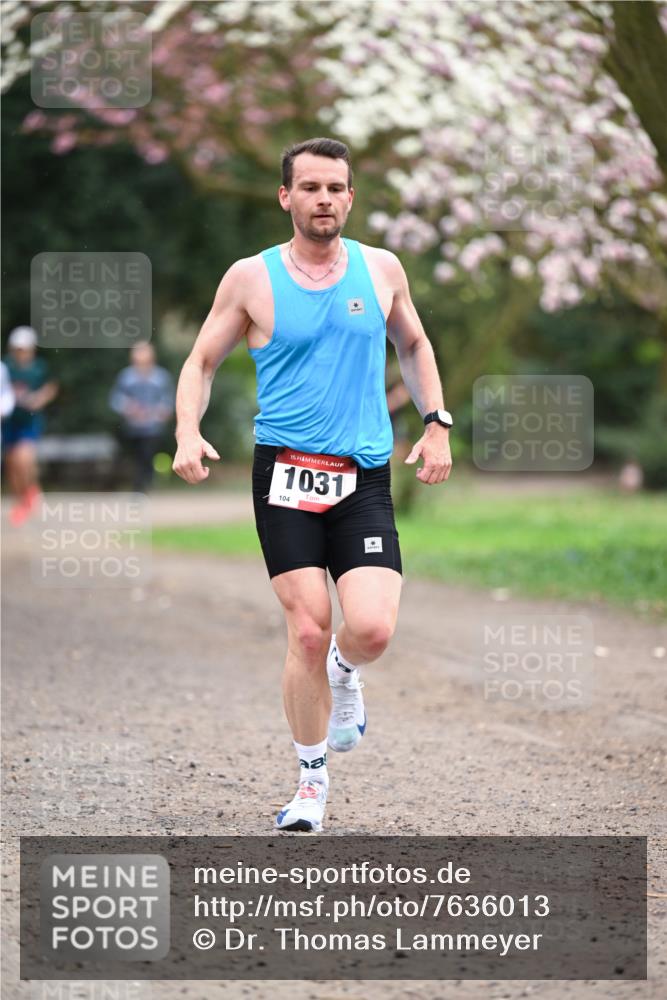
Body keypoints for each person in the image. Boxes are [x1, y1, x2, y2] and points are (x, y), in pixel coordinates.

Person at [172, 137, 453, 833]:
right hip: (285, 476)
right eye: (311, 187)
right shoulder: (251, 279)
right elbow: (201, 360)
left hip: (361, 474)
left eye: (336, 188)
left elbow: (412, 344)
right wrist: (186, 429)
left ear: (349, 197)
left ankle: (344, 668)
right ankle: (309, 780)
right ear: (286, 197)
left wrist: (436, 420)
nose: (324, 199)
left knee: (372, 629)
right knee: (304, 629)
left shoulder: (381, 268)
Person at [2, 326, 58, 526]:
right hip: (8, 422)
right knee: (11, 464)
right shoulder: (6, 366)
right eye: (17, 349)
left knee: (23, 458)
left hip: (29, 421)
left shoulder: (39, 368)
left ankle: (31, 490)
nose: (21, 353)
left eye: (24, 349)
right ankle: (22, 501)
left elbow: (51, 387)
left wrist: (39, 399)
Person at [109, 341, 175, 492]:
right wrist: (128, 407)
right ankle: (140, 484)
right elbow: (115, 399)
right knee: (136, 457)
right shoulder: (126, 376)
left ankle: (142, 486)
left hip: (153, 427)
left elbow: (168, 400)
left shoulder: (161, 377)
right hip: (132, 427)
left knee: (147, 454)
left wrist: (163, 411)